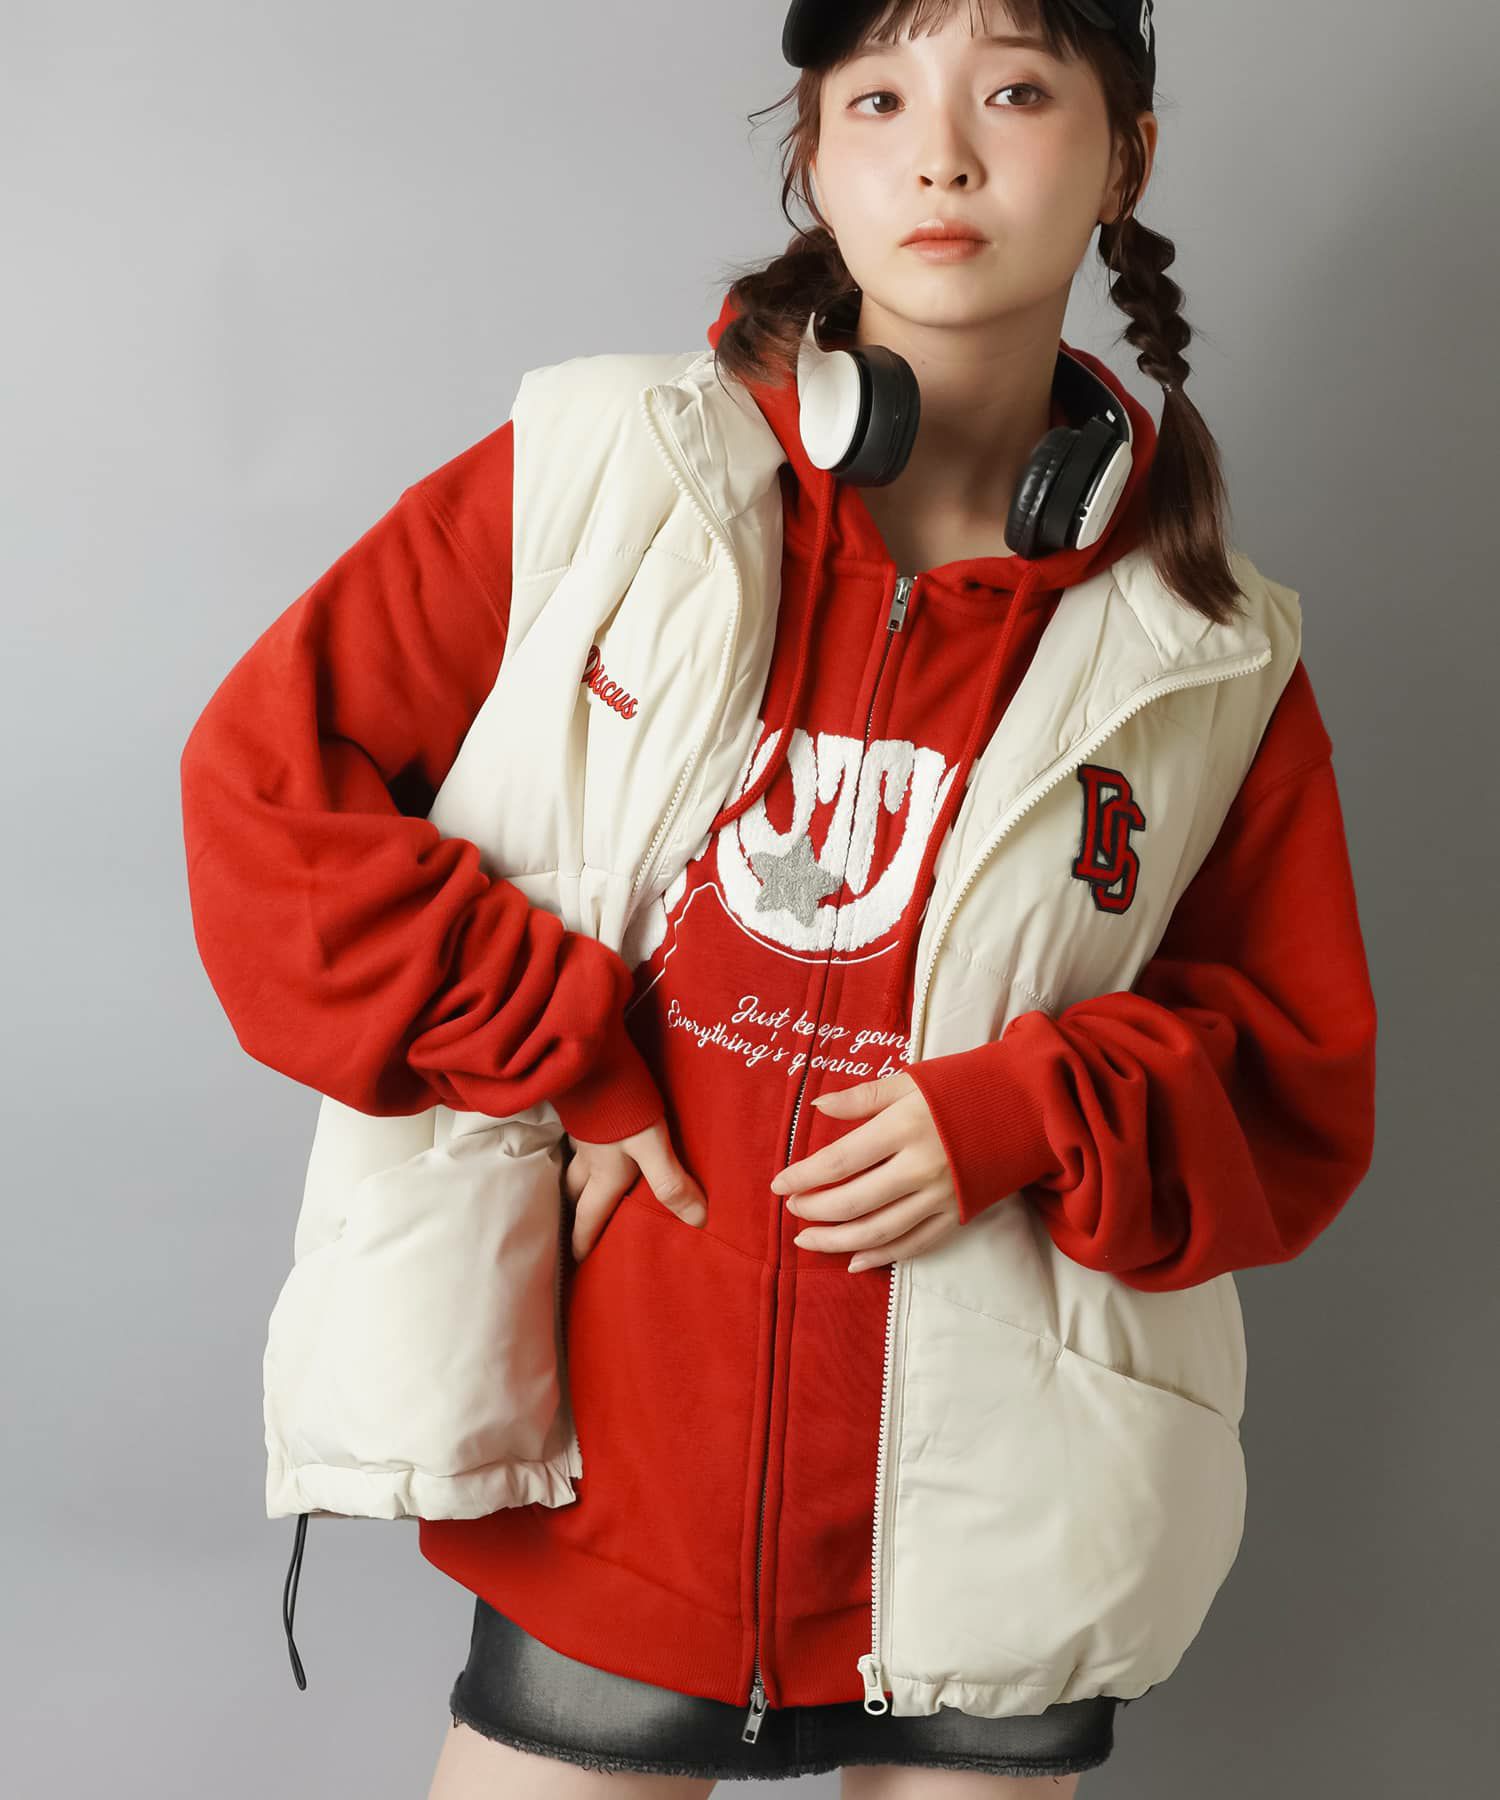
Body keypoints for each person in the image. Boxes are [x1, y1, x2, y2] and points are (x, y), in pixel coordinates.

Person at [179, 2, 1379, 1794]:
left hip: (1000, 1513)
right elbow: (267, 795)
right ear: (813, 153)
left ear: (1125, 157)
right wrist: (566, 1047)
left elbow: (1294, 1084)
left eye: (1017, 92)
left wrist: (1026, 1108)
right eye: (878, 99)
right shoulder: (607, 476)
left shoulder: (1209, 650)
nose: (941, 155)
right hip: (620, 1479)